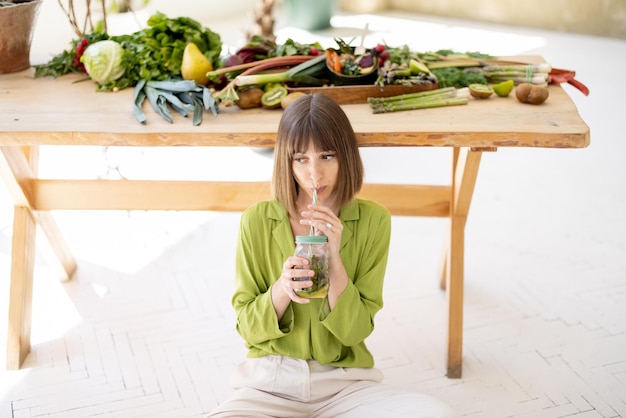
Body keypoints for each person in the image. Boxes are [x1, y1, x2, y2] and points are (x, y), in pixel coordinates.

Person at [207, 93, 454, 418]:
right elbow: (247, 329)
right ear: (286, 160)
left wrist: (335, 261)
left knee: (436, 414)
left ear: (345, 156)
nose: (314, 175)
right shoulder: (256, 220)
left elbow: (355, 333)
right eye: (300, 159)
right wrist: (282, 288)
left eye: (326, 156)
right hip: (269, 382)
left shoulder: (373, 220)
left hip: (345, 383)